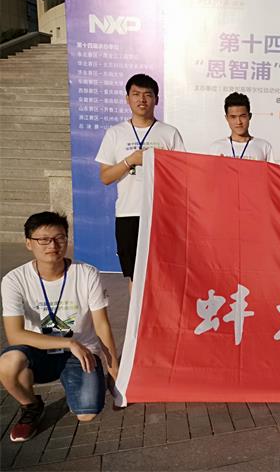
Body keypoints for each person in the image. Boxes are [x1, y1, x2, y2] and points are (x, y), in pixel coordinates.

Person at [0, 212, 119, 442]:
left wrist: (114, 371)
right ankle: (30, 406)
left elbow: (102, 324)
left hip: (81, 354)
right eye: (43, 240)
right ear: (29, 243)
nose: (52, 245)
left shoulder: (86, 274)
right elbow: (14, 335)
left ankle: (75, 382)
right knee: (8, 363)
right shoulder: (14, 280)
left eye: (59, 238)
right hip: (38, 351)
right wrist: (68, 342)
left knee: (87, 413)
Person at [95, 74, 185, 284]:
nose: (142, 99)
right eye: (136, 94)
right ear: (127, 99)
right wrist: (131, 161)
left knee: (165, 274)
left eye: (148, 95)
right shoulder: (115, 133)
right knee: (134, 276)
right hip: (129, 213)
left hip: (162, 214)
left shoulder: (169, 133)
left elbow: (181, 175)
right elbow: (106, 177)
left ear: (156, 99)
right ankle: (135, 309)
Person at [207, 92, 273, 161]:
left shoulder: (264, 147)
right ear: (227, 118)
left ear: (250, 116)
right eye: (233, 117)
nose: (238, 122)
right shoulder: (216, 148)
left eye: (243, 116)